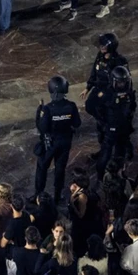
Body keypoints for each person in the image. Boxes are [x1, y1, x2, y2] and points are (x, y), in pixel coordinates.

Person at [34, 76, 81, 204]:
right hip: (65, 142)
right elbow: (77, 123)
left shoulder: (47, 108)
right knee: (60, 169)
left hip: (50, 143)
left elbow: (42, 128)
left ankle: (39, 194)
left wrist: (39, 112)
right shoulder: (71, 106)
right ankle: (57, 195)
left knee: (42, 167)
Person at [95, 67, 137, 176]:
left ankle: (111, 174)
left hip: (119, 128)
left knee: (114, 152)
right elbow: (98, 109)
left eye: (123, 82)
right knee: (111, 153)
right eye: (120, 82)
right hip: (117, 127)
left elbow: (132, 106)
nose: (122, 85)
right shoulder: (111, 93)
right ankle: (107, 175)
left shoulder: (124, 93)